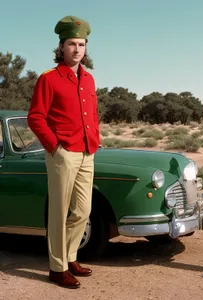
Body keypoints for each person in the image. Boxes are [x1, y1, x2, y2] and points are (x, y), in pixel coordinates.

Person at [28, 15, 100, 289]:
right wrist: (54, 147)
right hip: (62, 153)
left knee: (83, 210)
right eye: (72, 44)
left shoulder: (89, 79)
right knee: (59, 212)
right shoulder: (49, 79)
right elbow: (36, 117)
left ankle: (70, 257)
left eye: (81, 44)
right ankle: (57, 268)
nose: (77, 49)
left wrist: (95, 137)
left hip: (87, 151)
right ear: (61, 46)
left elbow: (92, 113)